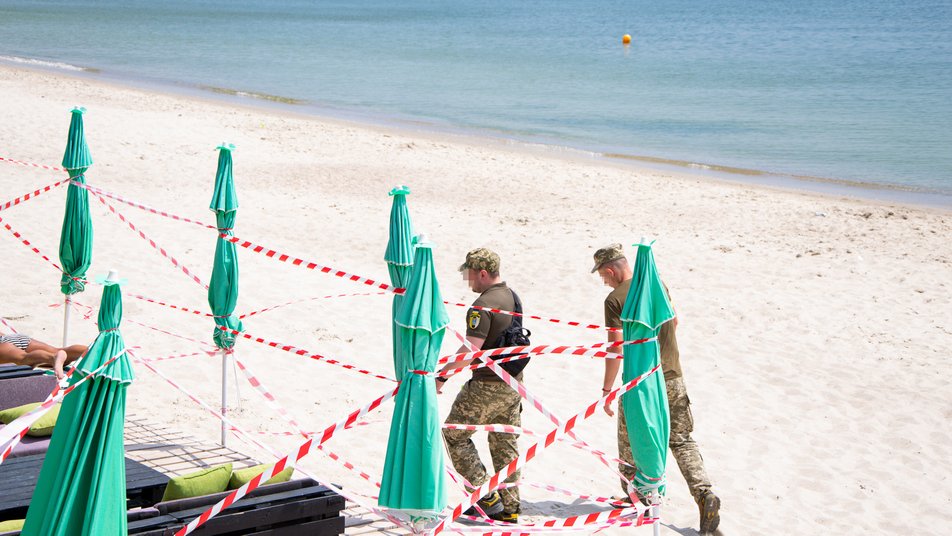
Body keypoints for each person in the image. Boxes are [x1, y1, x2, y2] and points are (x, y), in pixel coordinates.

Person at [592, 243, 721, 533]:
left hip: (640, 381)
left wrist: (606, 390)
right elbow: (673, 321)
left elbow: (615, 348)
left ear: (611, 269)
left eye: (603, 276)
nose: (604, 281)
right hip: (672, 373)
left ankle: (635, 494)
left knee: (630, 435)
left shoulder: (615, 299)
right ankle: (704, 494)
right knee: (681, 438)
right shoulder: (656, 283)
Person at [437, 248, 524, 523]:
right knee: (505, 443)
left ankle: (486, 496)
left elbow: (469, 352)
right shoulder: (512, 296)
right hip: (513, 383)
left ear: (482, 273)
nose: (468, 280)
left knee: (454, 434)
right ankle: (511, 508)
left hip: (487, 384)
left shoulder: (482, 306)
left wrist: (441, 377)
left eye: (470, 274)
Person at [0, 333, 84, 380]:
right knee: (60, 351)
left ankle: (52, 357)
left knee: (24, 359)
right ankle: (93, 351)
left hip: (3, 345)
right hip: (13, 338)